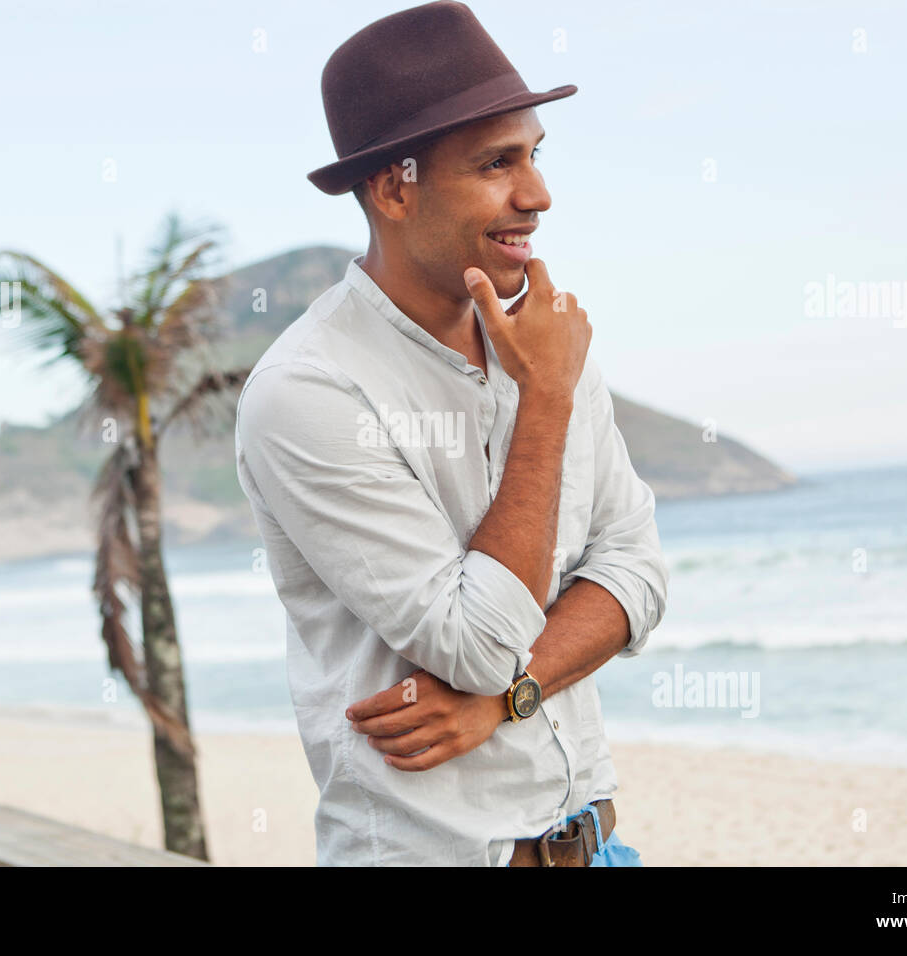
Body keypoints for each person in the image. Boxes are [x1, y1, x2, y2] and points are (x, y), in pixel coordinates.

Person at [234, 0, 668, 866]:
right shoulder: (308, 390)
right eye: (496, 164)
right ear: (396, 186)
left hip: (599, 846)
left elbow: (638, 571)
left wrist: (505, 699)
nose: (537, 195)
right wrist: (542, 405)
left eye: (535, 155)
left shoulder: (548, 341)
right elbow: (472, 645)